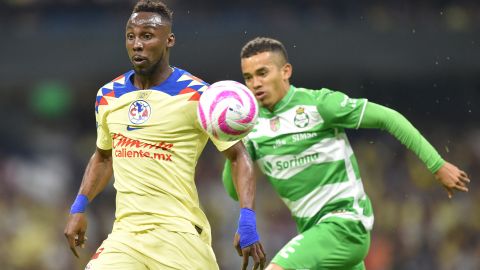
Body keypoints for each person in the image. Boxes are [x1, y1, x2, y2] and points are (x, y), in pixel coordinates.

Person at [222, 37, 471, 270]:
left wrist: (437, 165)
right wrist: (231, 144)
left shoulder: (319, 105)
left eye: (262, 73)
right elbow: (233, 191)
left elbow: (388, 117)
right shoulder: (252, 128)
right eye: (248, 77)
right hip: (314, 234)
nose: (255, 83)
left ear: (286, 71)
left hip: (345, 225)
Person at [64, 1, 266, 269]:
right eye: (131, 36)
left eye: (147, 36)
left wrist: (248, 220)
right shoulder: (108, 96)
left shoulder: (199, 96)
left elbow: (238, 156)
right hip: (126, 236)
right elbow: (103, 157)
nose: (137, 44)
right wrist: (79, 206)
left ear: (169, 40)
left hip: (178, 234)